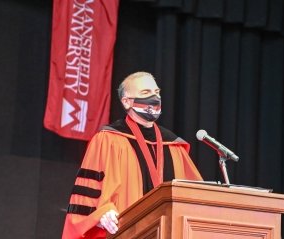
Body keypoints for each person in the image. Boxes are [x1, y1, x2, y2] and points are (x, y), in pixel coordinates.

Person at [62, 72, 203, 239]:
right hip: (125, 232)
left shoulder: (173, 145)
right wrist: (101, 214)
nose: (154, 97)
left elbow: (194, 195)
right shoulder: (108, 140)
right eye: (145, 93)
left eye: (157, 92)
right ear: (126, 101)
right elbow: (87, 198)